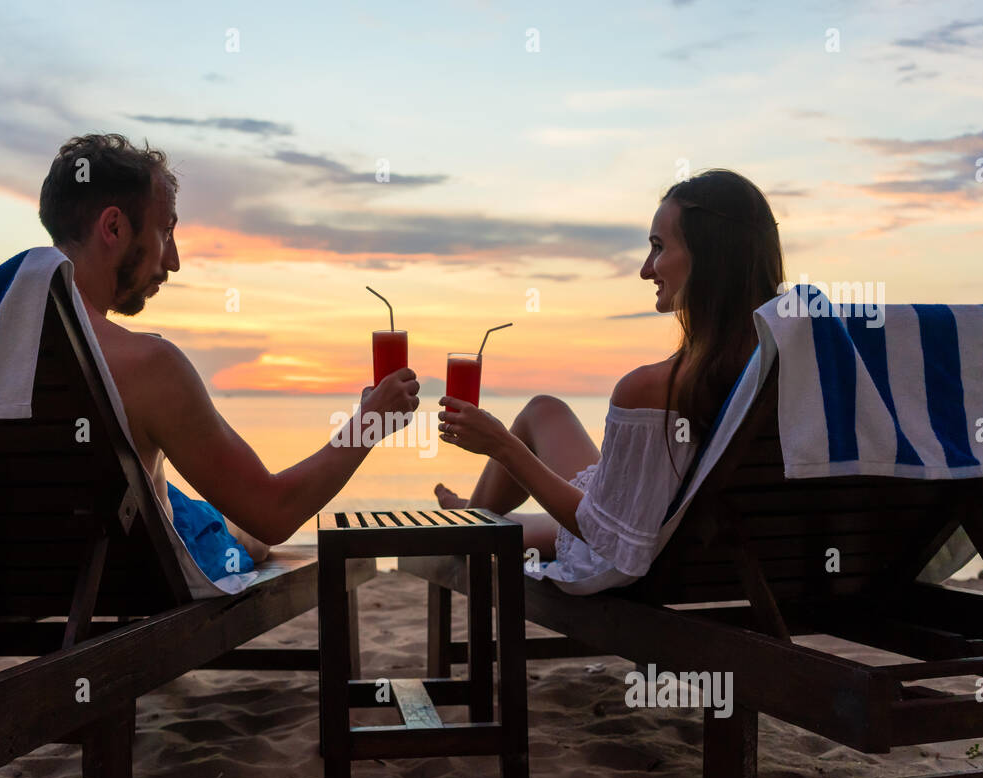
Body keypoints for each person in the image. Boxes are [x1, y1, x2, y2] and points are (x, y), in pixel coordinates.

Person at [39, 133, 419, 575]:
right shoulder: (146, 365)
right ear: (114, 228)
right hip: (124, 575)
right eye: (166, 231)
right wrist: (369, 423)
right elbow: (274, 512)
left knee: (194, 510)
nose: (174, 261)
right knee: (247, 535)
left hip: (14, 574)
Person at [433, 169, 784, 588]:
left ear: (708, 257)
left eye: (658, 248)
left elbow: (608, 536)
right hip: (742, 561)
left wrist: (501, 446)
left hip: (634, 563)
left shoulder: (653, 388)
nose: (645, 269)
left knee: (539, 420)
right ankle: (479, 516)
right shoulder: (787, 367)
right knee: (547, 411)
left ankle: (473, 524)